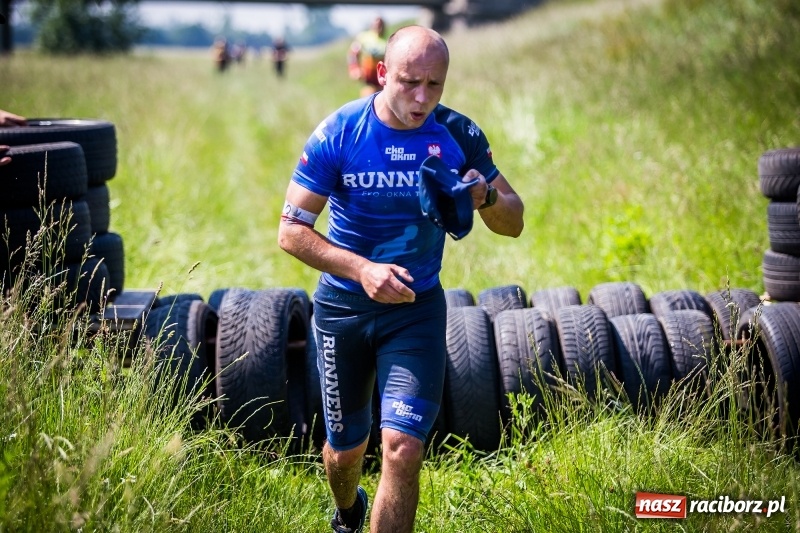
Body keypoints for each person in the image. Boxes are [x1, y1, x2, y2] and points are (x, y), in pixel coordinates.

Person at [278, 25, 524, 533]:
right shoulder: (340, 132)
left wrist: (487, 198)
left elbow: (515, 220)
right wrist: (362, 269)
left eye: (435, 85)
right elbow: (291, 232)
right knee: (344, 454)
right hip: (343, 310)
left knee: (404, 447)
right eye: (410, 82)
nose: (422, 98)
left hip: (416, 311)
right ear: (383, 73)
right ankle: (348, 512)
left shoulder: (459, 134)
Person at [347, 16, 387, 97]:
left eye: (381, 25)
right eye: (377, 24)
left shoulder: (387, 42)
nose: (379, 27)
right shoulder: (364, 38)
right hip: (368, 81)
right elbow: (353, 54)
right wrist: (354, 68)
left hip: (382, 83)